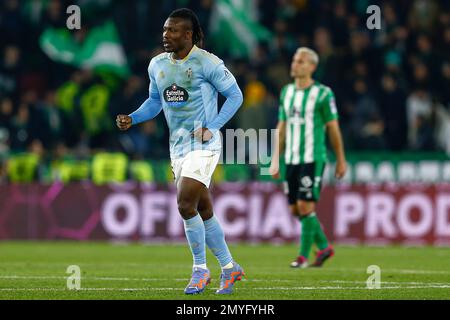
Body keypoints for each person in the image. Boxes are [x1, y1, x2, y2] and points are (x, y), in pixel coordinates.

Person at [116, 8, 244, 294]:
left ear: (188, 35)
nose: (166, 35)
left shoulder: (208, 63)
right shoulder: (157, 65)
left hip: (205, 145)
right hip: (178, 148)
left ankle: (200, 270)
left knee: (185, 204)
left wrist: (214, 126)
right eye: (164, 30)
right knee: (203, 208)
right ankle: (230, 267)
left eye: (172, 31)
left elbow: (236, 95)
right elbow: (154, 101)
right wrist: (133, 118)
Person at [269, 47, 347, 268]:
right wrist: (275, 158)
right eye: (294, 60)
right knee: (295, 209)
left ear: (312, 67)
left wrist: (341, 159)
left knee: (305, 205)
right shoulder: (286, 92)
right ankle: (324, 247)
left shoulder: (323, 94)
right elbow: (282, 127)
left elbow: (333, 128)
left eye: (301, 61)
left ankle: (302, 257)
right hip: (291, 159)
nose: (295, 64)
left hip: (313, 158)